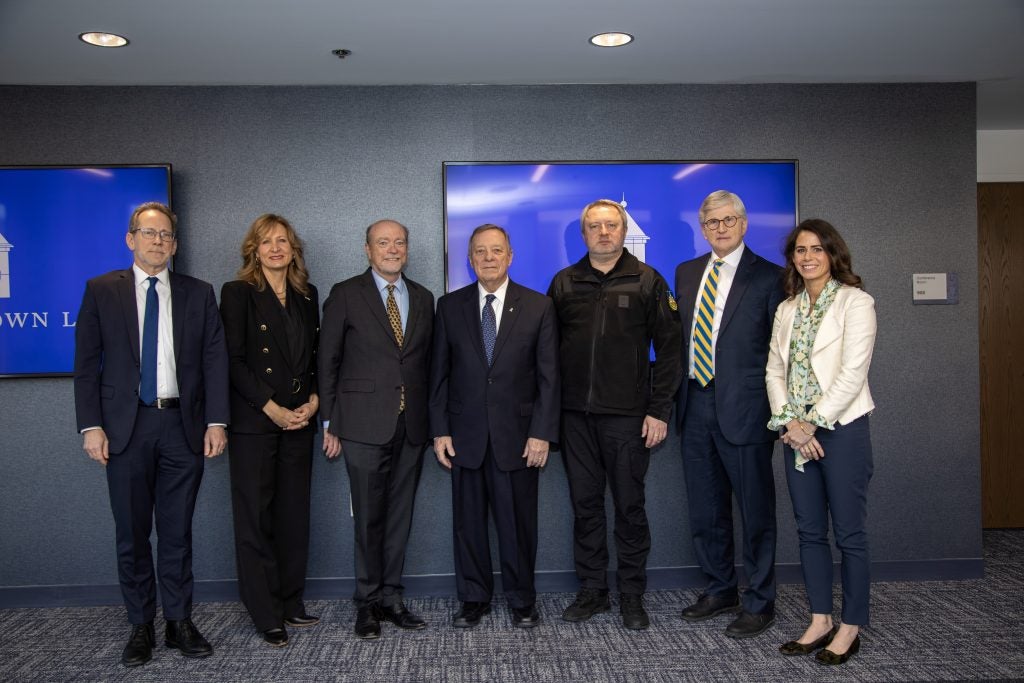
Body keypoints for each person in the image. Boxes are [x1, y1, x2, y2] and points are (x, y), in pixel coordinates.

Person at [73, 202, 229, 666]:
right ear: (130, 239)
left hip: (182, 427)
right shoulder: (101, 290)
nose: (157, 241)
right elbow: (85, 367)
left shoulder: (198, 293)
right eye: (148, 232)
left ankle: (179, 621)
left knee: (178, 533)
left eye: (165, 235)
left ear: (175, 244)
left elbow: (214, 360)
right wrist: (91, 425)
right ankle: (140, 626)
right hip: (125, 430)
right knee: (133, 533)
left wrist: (216, 421)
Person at [547, 199, 682, 630]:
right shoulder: (564, 283)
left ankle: (631, 596)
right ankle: (592, 592)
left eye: (611, 225)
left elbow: (672, 351)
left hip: (627, 417)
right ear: (583, 234)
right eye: (594, 226)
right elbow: (546, 355)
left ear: (623, 232)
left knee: (629, 508)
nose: (603, 233)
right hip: (575, 419)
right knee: (585, 507)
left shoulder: (648, 281)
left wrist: (659, 410)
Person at [430, 224, 559, 629]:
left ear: (510, 256)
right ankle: (473, 598)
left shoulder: (538, 306)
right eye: (480, 251)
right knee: (468, 525)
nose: (488, 257)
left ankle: (522, 600)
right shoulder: (449, 307)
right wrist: (440, 430)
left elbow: (549, 378)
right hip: (464, 436)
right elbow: (439, 375)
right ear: (469, 259)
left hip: (519, 439)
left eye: (496, 250)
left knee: (518, 525)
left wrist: (541, 432)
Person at [675, 190, 784, 638]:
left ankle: (760, 600)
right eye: (711, 222)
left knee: (756, 511)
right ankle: (720, 589)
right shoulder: (685, 273)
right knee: (706, 510)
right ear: (703, 228)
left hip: (747, 409)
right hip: (694, 403)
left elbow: (782, 352)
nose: (719, 228)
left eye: (727, 220)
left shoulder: (772, 278)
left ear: (743, 223)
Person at [767, 219, 876, 665]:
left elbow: (854, 372)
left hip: (842, 429)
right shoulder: (787, 308)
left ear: (833, 254)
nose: (807, 257)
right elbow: (775, 370)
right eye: (799, 250)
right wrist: (791, 426)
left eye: (816, 249)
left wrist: (812, 424)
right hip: (795, 434)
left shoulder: (856, 302)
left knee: (849, 534)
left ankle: (850, 627)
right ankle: (820, 620)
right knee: (810, 532)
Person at [318, 219, 434, 639]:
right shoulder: (346, 294)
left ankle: (391, 598)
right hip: (362, 424)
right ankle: (366, 604)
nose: (392, 249)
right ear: (367, 249)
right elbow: (327, 360)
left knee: (400, 516)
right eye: (383, 243)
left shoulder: (423, 298)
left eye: (399, 242)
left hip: (412, 425)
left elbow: (427, 364)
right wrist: (329, 421)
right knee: (368, 518)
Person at [219, 214, 320, 647]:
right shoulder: (238, 293)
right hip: (256, 423)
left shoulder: (307, 294)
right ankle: (265, 613)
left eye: (282, 241)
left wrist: (315, 401)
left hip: (300, 420)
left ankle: (291, 602)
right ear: (253, 250)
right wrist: (271, 408)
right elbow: (233, 361)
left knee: (293, 516)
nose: (275, 248)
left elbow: (314, 358)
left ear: (293, 248)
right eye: (266, 242)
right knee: (255, 519)